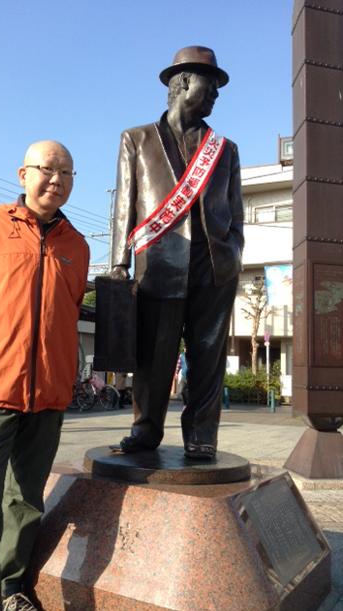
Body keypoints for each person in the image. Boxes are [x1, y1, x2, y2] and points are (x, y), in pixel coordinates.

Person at [0, 140, 89, 611]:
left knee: (26, 503)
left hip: (48, 396)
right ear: (22, 174)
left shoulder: (77, 245)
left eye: (67, 173)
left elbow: (66, 316)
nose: (57, 180)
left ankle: (11, 591)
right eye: (48, 170)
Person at [110, 46, 244, 460]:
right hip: (159, 264)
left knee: (208, 356)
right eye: (212, 84)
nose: (217, 95)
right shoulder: (137, 138)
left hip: (213, 266)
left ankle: (202, 435)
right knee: (155, 355)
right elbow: (123, 206)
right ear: (183, 82)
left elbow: (235, 211)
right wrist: (119, 263)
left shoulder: (225, 149)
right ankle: (146, 430)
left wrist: (233, 252)